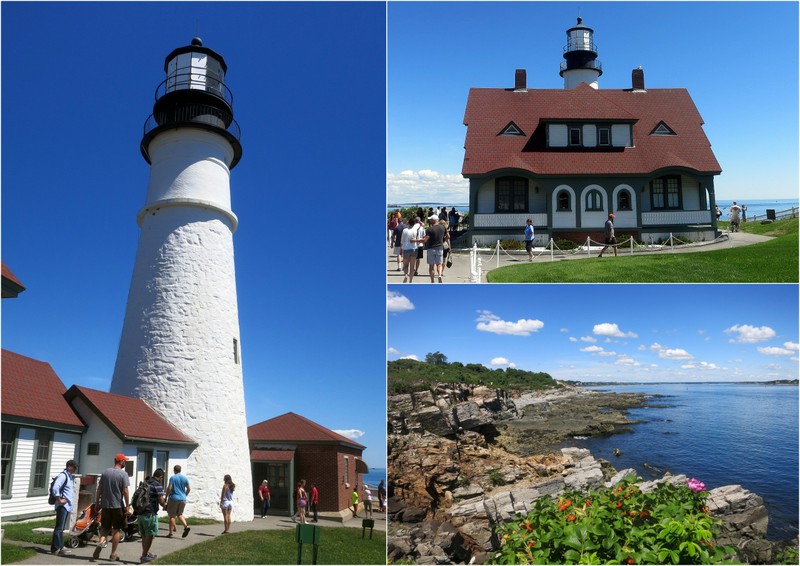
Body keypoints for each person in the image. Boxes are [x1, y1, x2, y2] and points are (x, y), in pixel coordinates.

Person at [93, 454, 131, 561]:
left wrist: (97, 503)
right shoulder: (123, 474)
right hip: (117, 506)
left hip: (105, 505)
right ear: (121, 461)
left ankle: (101, 543)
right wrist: (127, 505)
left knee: (105, 528)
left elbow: (99, 489)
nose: (125, 463)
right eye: (125, 461)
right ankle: (113, 554)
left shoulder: (105, 472)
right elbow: (125, 491)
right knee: (116, 530)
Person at [137, 468, 167, 564]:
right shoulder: (157, 485)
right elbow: (161, 501)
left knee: (144, 535)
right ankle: (144, 556)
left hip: (140, 513)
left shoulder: (146, 482)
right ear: (161, 477)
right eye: (162, 478)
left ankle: (146, 553)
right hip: (150, 513)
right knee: (150, 535)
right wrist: (165, 506)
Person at [50, 459, 78, 555]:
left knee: (61, 528)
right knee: (59, 528)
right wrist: (59, 500)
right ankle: (55, 548)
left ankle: (60, 546)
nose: (75, 469)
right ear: (69, 466)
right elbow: (55, 488)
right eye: (74, 467)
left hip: (66, 506)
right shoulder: (63, 476)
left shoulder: (69, 476)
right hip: (62, 506)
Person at [417, 216, 446, 283]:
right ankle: (439, 275)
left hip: (431, 249)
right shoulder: (443, 228)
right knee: (439, 264)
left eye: (430, 220)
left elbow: (425, 240)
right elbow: (447, 236)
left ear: (434, 220)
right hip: (440, 248)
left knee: (431, 266)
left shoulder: (430, 229)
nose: (429, 221)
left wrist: (417, 240)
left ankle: (432, 281)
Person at [165, 464, 191, 538]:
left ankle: (170, 533)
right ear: (180, 470)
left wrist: (166, 496)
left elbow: (169, 488)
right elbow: (189, 488)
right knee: (180, 514)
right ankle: (186, 526)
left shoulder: (173, 478)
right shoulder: (185, 478)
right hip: (182, 498)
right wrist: (185, 495)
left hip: (174, 498)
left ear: (174, 470)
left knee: (172, 515)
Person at [401, 218, 420, 283]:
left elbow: (402, 241)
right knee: (412, 266)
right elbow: (417, 239)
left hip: (406, 248)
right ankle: (410, 281)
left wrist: (401, 250)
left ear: (408, 222)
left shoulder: (404, 230)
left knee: (406, 265)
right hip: (414, 248)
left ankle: (406, 275)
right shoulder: (415, 230)